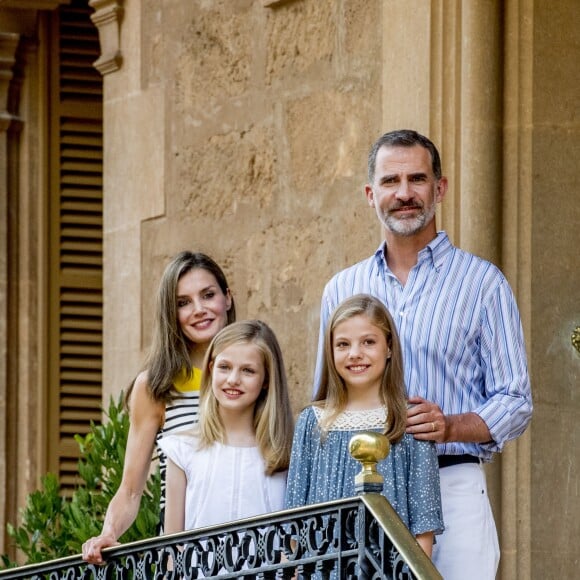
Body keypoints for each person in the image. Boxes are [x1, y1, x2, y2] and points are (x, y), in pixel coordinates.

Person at [313, 129, 533, 579]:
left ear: (440, 188)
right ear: (371, 194)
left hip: (450, 480)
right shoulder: (341, 289)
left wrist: (451, 424)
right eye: (391, 182)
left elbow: (516, 399)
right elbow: (326, 398)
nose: (405, 193)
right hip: (360, 489)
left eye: (417, 179)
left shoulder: (482, 283)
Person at [82, 251, 236, 564]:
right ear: (171, 313)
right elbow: (130, 489)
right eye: (183, 302)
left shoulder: (255, 370)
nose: (199, 310)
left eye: (208, 295)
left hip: (253, 543)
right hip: (184, 554)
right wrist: (108, 531)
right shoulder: (156, 385)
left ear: (227, 299)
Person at [286, 294, 443, 557]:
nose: (355, 354)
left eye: (368, 342)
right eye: (343, 344)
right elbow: (292, 525)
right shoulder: (312, 422)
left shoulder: (410, 421)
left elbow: (423, 529)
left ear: (389, 347)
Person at [159, 320, 294, 533]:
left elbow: (294, 545)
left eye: (248, 371)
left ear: (267, 379)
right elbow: (172, 548)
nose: (233, 379)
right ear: (211, 369)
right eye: (225, 367)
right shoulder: (181, 449)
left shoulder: (287, 454)